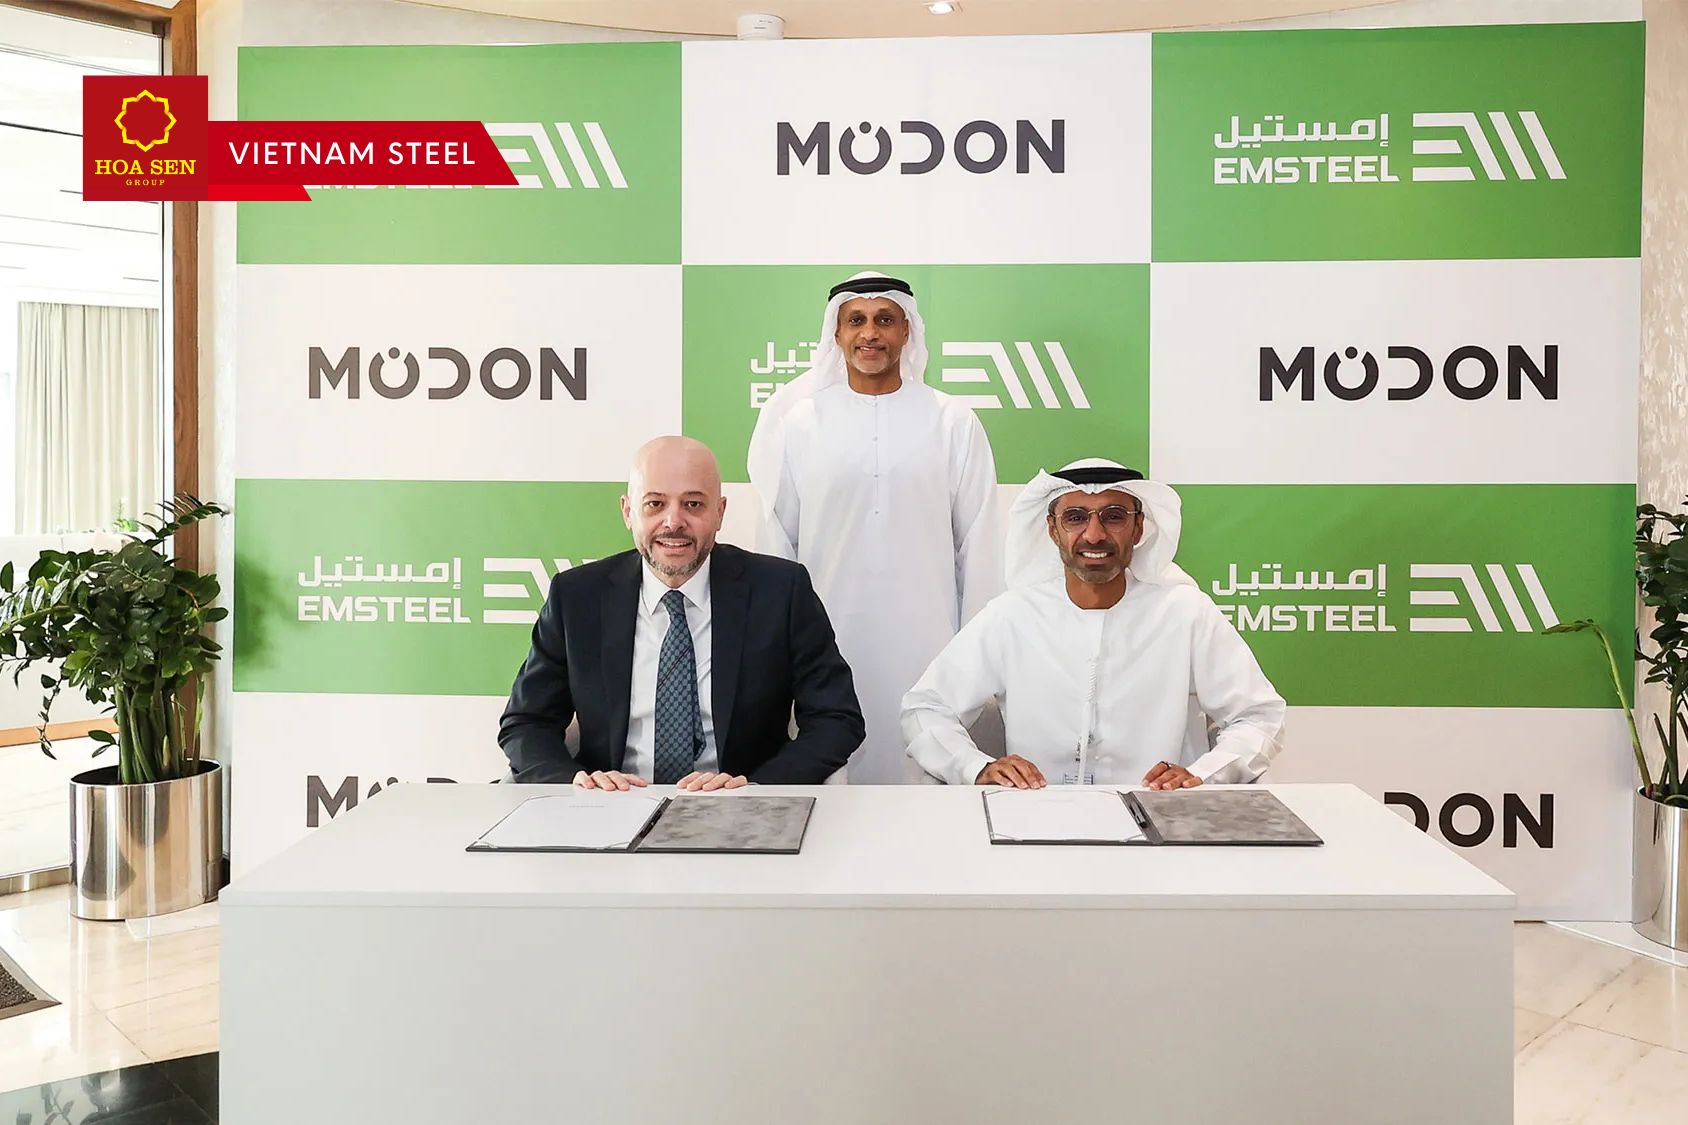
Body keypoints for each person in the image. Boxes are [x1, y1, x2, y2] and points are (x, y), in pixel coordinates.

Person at [746, 271, 1000, 784]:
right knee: (831, 774)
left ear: (907, 331)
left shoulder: (952, 420)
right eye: (856, 320)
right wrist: (778, 646)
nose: (870, 333)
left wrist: (974, 652)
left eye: (885, 319)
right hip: (825, 636)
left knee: (924, 768)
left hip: (929, 638)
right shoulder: (800, 423)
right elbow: (778, 545)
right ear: (836, 333)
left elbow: (978, 543)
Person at [498, 435, 864, 790]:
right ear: (628, 512)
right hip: (612, 805)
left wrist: (756, 787)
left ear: (719, 512)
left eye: (693, 504)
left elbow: (836, 718)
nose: (673, 522)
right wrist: (575, 782)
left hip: (737, 809)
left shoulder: (780, 591)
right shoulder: (577, 597)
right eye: (655, 504)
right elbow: (526, 722)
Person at [900, 458, 1284, 790]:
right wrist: (975, 767)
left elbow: (1259, 717)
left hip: (1161, 820)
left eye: (1114, 516)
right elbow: (926, 708)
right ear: (1053, 529)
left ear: (1138, 528)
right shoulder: (1014, 616)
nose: (1095, 534)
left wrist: (1203, 774)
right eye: (1076, 518)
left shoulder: (1185, 613)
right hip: (1037, 820)